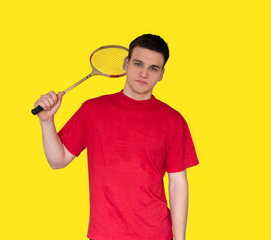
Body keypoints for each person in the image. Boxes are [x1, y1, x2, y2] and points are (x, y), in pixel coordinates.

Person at [34, 34, 199, 240]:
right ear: (126, 63)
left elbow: (178, 184)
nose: (144, 73)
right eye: (138, 63)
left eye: (153, 68)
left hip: (155, 234)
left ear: (162, 74)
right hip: (104, 234)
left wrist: (180, 238)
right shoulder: (92, 110)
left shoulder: (173, 120)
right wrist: (47, 121)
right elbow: (57, 161)